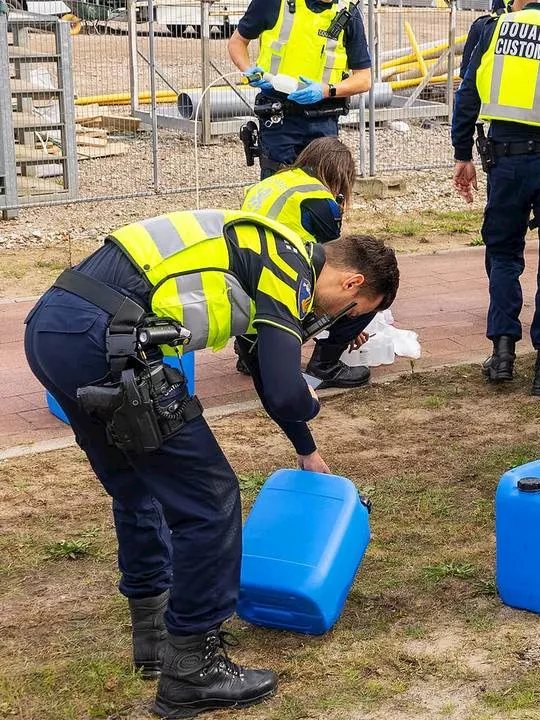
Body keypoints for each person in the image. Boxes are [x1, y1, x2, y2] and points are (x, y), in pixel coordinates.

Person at [24, 211, 398, 717]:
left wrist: (305, 448)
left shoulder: (264, 249)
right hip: (104, 340)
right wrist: (312, 405)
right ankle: (194, 668)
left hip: (55, 329)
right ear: (352, 281)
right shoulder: (289, 269)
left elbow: (268, 374)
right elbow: (288, 391)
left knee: (138, 486)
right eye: (352, 310)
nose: (338, 319)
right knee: (210, 500)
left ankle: (155, 637)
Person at [452, 0, 540, 396]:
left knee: (502, 255)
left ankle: (501, 352)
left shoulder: (491, 30)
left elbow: (466, 97)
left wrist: (462, 155)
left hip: (506, 164)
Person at [239, 136, 376, 388]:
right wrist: (349, 319)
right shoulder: (318, 198)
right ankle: (326, 364)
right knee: (372, 283)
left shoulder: (268, 184)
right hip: (281, 289)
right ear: (340, 174)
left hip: (241, 291)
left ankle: (250, 350)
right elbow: (338, 260)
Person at [228, 0, 373, 179]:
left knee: (324, 188)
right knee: (278, 185)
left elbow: (364, 79)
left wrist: (327, 90)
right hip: (279, 118)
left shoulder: (347, 13)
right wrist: (248, 70)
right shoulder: (273, 3)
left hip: (324, 118)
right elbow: (237, 42)